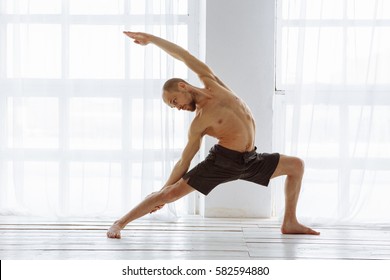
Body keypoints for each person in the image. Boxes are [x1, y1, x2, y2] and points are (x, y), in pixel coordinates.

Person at [107, 31, 320, 239]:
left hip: (250, 159)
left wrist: (152, 40)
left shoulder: (213, 83)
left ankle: (289, 221)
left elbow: (183, 55)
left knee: (296, 165)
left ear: (183, 86)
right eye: (173, 107)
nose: (177, 108)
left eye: (174, 102)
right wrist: (164, 192)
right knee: (168, 195)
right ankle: (120, 223)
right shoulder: (199, 123)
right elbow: (184, 161)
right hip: (222, 162)